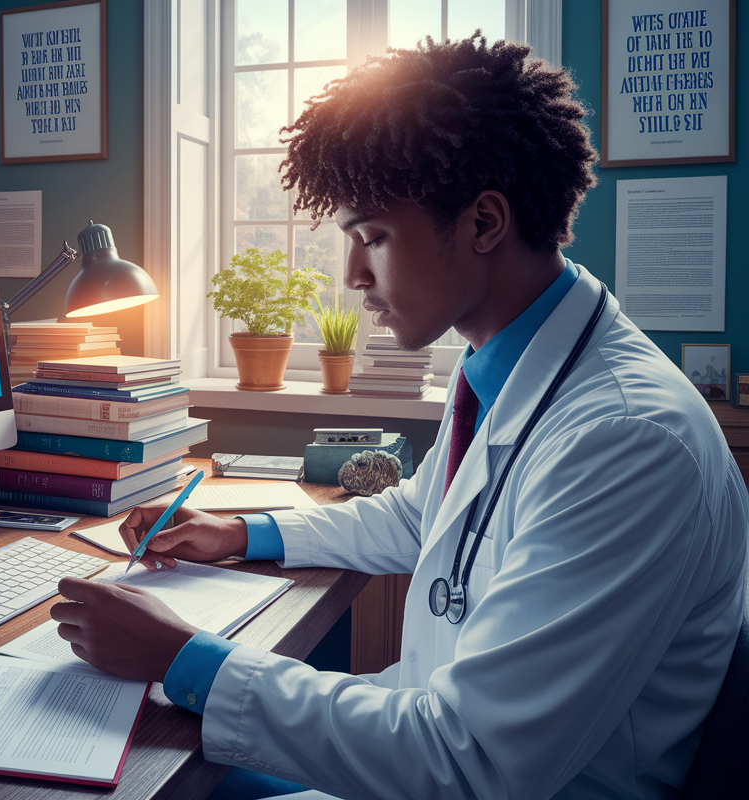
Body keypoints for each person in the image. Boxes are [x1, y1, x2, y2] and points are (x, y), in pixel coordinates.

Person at [51, 34, 748, 800]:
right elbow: (426, 518)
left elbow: (472, 761)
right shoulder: (504, 363)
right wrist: (242, 533)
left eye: (372, 237)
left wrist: (181, 656)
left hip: (483, 776)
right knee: (164, 764)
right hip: (432, 740)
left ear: (484, 222)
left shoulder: (625, 440)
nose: (352, 275)